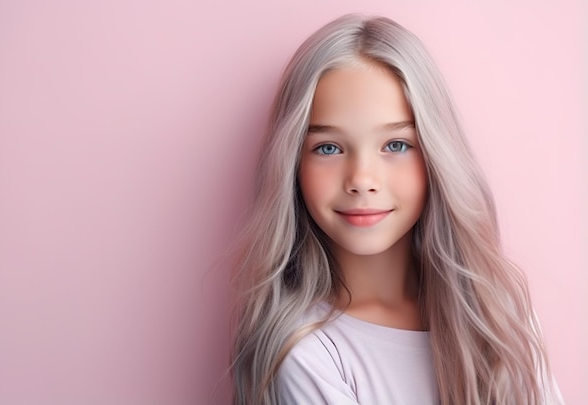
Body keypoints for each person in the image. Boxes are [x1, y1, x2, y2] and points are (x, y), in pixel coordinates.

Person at [230, 14, 563, 405]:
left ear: (436, 155)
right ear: (293, 165)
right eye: (328, 148)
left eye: (396, 145)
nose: (362, 178)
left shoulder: (499, 313)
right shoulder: (305, 353)